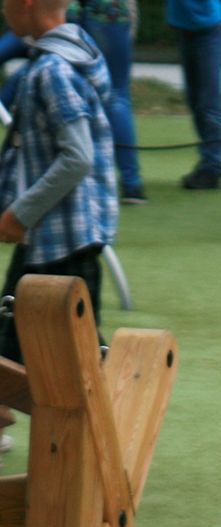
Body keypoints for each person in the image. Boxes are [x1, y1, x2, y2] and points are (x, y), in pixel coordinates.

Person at [0, 0, 118, 365]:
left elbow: (77, 157)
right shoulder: (66, 57)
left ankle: (116, 414)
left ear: (26, 4)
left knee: (79, 370)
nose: (3, 13)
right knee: (11, 357)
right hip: (52, 240)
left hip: (64, 243)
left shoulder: (52, 71)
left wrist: (20, 213)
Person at [72, 0, 146, 203]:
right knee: (117, 95)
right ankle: (132, 184)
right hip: (110, 10)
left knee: (70, 89)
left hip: (63, 10)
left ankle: (80, 179)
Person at [166, 0, 221, 189]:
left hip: (210, 29)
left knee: (208, 103)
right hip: (187, 30)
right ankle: (211, 159)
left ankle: (212, 165)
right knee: (194, 100)